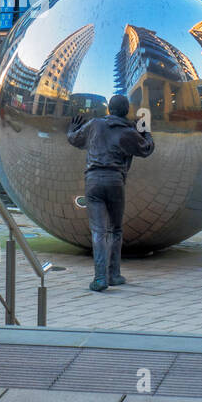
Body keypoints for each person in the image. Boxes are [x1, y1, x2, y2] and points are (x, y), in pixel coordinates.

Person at [67, 95, 155, 292]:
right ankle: (113, 274)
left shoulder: (95, 125)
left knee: (99, 231)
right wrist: (145, 132)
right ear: (126, 111)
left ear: (109, 110)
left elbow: (74, 139)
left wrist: (71, 128)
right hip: (115, 182)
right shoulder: (129, 132)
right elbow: (147, 149)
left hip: (93, 181)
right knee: (115, 229)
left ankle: (100, 278)